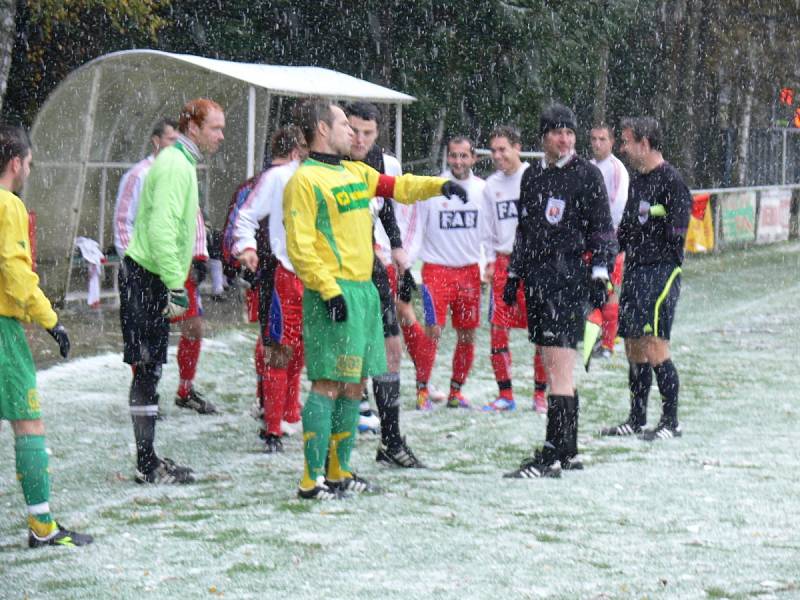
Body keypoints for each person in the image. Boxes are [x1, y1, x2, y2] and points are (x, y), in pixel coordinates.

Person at [284, 97, 466, 500]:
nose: (353, 132)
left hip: (365, 289)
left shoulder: (356, 171)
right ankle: (310, 481)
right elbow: (300, 246)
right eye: (344, 125)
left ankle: (339, 472)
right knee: (328, 383)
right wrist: (327, 290)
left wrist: (441, 185)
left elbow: (399, 187)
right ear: (322, 129)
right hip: (333, 290)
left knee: (352, 385)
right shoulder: (305, 180)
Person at [503, 104, 616, 479]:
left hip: (567, 280)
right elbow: (526, 230)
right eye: (557, 132)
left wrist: (600, 274)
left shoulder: (586, 175)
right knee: (558, 367)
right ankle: (568, 452)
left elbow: (603, 229)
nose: (565, 138)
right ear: (544, 137)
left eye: (569, 132)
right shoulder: (532, 175)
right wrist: (514, 273)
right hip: (539, 280)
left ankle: (552, 454)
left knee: (559, 370)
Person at [120, 98, 225, 484]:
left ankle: (149, 461)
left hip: (151, 276)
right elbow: (162, 230)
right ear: (192, 128)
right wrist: (173, 283)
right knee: (147, 369)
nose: (221, 135)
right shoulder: (173, 164)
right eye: (215, 128)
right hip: (145, 276)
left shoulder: (181, 163)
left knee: (151, 369)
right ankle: (147, 466)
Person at [0, 124, 93, 547]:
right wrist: (50, 320)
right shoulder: (8, 205)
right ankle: (42, 525)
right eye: (30, 164)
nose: (30, 173)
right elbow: (16, 272)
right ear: (16, 163)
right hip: (2, 330)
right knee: (28, 423)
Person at [113, 118, 217, 415]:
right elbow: (124, 221)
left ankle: (185, 388)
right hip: (147, 269)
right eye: (172, 140)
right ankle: (146, 397)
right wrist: (132, 262)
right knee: (146, 345)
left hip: (178, 267)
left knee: (194, 326)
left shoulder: (184, 167)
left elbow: (191, 218)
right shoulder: (139, 174)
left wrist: (199, 255)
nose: (178, 146)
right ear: (156, 141)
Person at [345, 101, 425, 468]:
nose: (360, 139)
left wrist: (396, 249)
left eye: (368, 133)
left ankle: (391, 441)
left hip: (372, 263)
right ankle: (334, 458)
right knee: (347, 361)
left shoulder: (379, 160)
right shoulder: (330, 161)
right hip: (342, 269)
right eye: (354, 131)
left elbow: (387, 203)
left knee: (391, 347)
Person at [600, 117, 690, 440]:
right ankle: (636, 419)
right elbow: (625, 229)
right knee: (633, 345)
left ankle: (671, 422)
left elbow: (677, 233)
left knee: (655, 345)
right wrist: (606, 252)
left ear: (645, 143)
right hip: (636, 270)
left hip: (662, 272)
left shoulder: (672, 181)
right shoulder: (637, 181)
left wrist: (655, 224)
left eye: (626, 142)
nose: (623, 148)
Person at [231, 126, 308, 453]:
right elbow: (244, 216)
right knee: (279, 347)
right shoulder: (278, 178)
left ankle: (291, 413)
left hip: (322, 279)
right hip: (282, 275)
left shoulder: (336, 174)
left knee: (304, 348)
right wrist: (245, 247)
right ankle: (272, 428)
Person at [413, 136, 488, 411]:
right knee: (433, 330)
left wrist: (486, 264)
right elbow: (417, 228)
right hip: (436, 271)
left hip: (469, 272)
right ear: (447, 157)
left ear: (474, 158)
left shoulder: (483, 190)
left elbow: (489, 233)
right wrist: (408, 261)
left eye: (463, 156)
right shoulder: (434, 188)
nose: (458, 161)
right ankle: (422, 389)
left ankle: (456, 392)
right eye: (453, 156)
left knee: (467, 335)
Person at [480, 126, 548, 413]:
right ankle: (505, 394)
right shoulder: (490, 186)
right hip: (504, 263)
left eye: (503, 149)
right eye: (493, 150)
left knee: (542, 332)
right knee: (498, 330)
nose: (498, 156)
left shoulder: (536, 177)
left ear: (517, 148)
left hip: (533, 264)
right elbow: (486, 231)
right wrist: (488, 262)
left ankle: (540, 395)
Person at [589, 123, 630, 358]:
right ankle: (597, 337)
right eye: (594, 139)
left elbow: (616, 206)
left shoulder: (616, 169)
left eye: (602, 139)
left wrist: (606, 236)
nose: (597, 143)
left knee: (610, 290)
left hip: (609, 239)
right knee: (594, 290)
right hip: (591, 239)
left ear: (612, 142)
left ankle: (607, 344)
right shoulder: (590, 166)